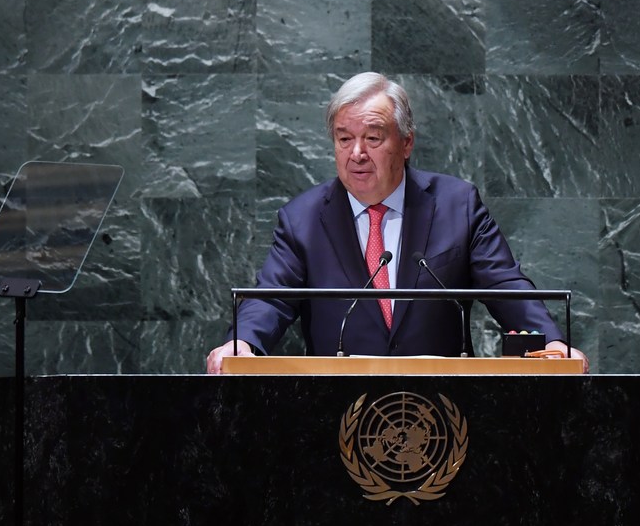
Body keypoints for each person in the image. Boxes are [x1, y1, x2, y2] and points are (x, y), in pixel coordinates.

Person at [206, 72, 587, 373]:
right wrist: (244, 344)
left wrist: (549, 343)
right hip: (334, 412)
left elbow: (506, 285)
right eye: (343, 139)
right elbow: (271, 296)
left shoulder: (457, 206)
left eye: (373, 138)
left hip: (447, 410)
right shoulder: (303, 219)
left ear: (406, 143)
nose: (356, 153)